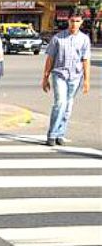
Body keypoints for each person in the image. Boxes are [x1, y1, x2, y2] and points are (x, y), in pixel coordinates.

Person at [42, 9, 91, 146]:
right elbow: (50, 59)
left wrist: (87, 80)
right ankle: (52, 134)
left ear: (81, 22)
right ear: (68, 20)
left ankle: (60, 133)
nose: (74, 24)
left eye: (77, 21)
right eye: (72, 21)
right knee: (60, 103)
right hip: (59, 74)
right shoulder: (58, 38)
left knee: (68, 106)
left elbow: (85, 60)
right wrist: (45, 77)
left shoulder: (84, 39)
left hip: (75, 76)